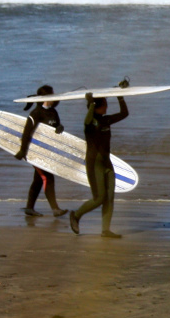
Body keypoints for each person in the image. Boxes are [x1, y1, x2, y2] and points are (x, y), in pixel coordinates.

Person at [70, 80, 129, 237]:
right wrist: (90, 104)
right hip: (94, 163)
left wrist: (120, 96)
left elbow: (125, 114)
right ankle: (76, 215)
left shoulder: (106, 119)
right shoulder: (90, 123)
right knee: (99, 198)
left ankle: (105, 230)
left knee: (109, 197)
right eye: (104, 104)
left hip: (106, 163)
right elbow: (87, 120)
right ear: (96, 107)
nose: (107, 106)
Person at [14, 85, 67, 218]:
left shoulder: (53, 112)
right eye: (51, 95)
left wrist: (59, 128)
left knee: (38, 180)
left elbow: (54, 130)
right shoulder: (36, 113)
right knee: (47, 177)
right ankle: (55, 209)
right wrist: (22, 151)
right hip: (35, 151)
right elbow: (27, 133)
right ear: (45, 97)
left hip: (47, 152)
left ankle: (29, 208)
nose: (54, 97)